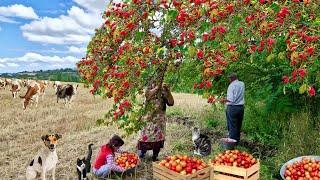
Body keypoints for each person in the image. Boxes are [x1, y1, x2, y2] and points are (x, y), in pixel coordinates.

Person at [137, 83, 174, 161]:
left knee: (158, 139)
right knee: (145, 137)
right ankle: (143, 152)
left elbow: (171, 103)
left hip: (159, 120)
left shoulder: (164, 90)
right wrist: (158, 87)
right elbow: (148, 95)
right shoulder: (149, 87)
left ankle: (155, 155)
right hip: (148, 118)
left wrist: (168, 92)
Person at [221, 73, 245, 144]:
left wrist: (222, 100)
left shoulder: (231, 86)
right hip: (241, 108)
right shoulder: (242, 84)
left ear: (231, 79)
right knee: (238, 125)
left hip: (232, 108)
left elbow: (231, 99)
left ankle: (232, 144)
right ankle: (237, 141)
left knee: (232, 126)